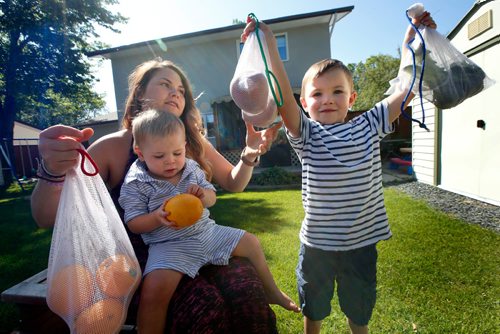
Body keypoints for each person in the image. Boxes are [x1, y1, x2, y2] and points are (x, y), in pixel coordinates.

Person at [31, 58, 283, 333]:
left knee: (248, 294)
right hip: (145, 264)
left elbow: (234, 184)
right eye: (165, 84)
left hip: (202, 243)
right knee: (205, 308)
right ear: (140, 93)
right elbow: (45, 217)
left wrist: (247, 157)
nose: (176, 92)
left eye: (181, 90)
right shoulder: (114, 146)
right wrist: (52, 169)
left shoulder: (194, 141)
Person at [242, 11, 436, 334]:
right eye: (317, 94)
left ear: (352, 98)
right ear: (304, 102)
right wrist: (271, 45)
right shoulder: (307, 133)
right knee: (314, 304)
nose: (327, 100)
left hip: (361, 244)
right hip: (317, 245)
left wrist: (413, 42)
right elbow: (281, 97)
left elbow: (407, 89)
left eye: (337, 92)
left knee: (358, 307)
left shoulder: (369, 124)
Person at [120, 109, 299, 332]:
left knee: (251, 242)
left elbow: (212, 196)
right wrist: (156, 217)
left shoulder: (191, 168)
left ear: (184, 145)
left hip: (206, 233)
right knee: (153, 293)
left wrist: (204, 197)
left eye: (177, 153)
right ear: (140, 152)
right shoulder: (136, 182)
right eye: (159, 156)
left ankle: (272, 291)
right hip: (169, 246)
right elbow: (134, 223)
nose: (171, 162)